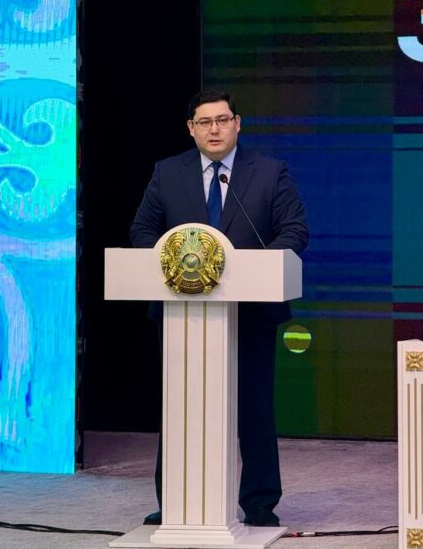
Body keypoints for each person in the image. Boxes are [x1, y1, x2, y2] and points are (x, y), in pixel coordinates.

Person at [130, 90, 309, 527]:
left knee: (254, 409)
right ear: (190, 128)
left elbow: (294, 231)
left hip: (252, 313)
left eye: (223, 120)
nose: (215, 129)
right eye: (205, 122)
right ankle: (176, 501)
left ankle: (260, 502)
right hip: (182, 313)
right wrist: (170, 264)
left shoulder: (269, 173)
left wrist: (255, 268)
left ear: (238, 124)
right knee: (181, 407)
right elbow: (142, 230)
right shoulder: (167, 172)